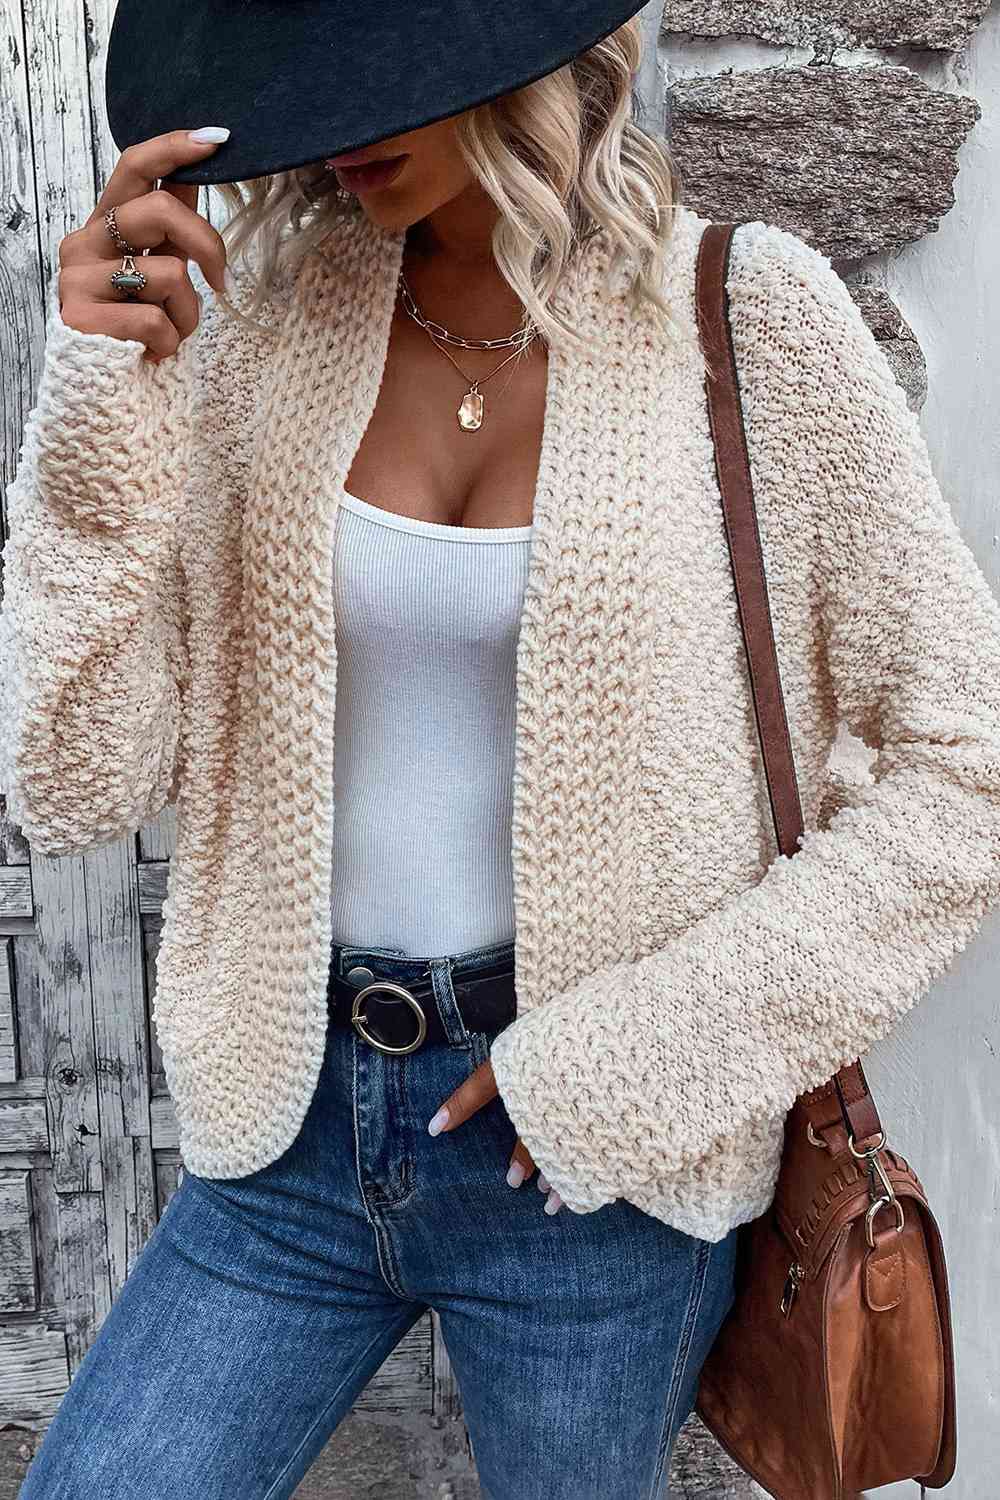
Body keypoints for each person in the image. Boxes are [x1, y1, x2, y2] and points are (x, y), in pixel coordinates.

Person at [2, 8, 999, 1499]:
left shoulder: (746, 314)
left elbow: (963, 765)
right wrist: (106, 396)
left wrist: (633, 1063)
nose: (341, 127)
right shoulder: (258, 328)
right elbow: (81, 778)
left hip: (595, 1170)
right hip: (287, 1133)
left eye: (380, 71)